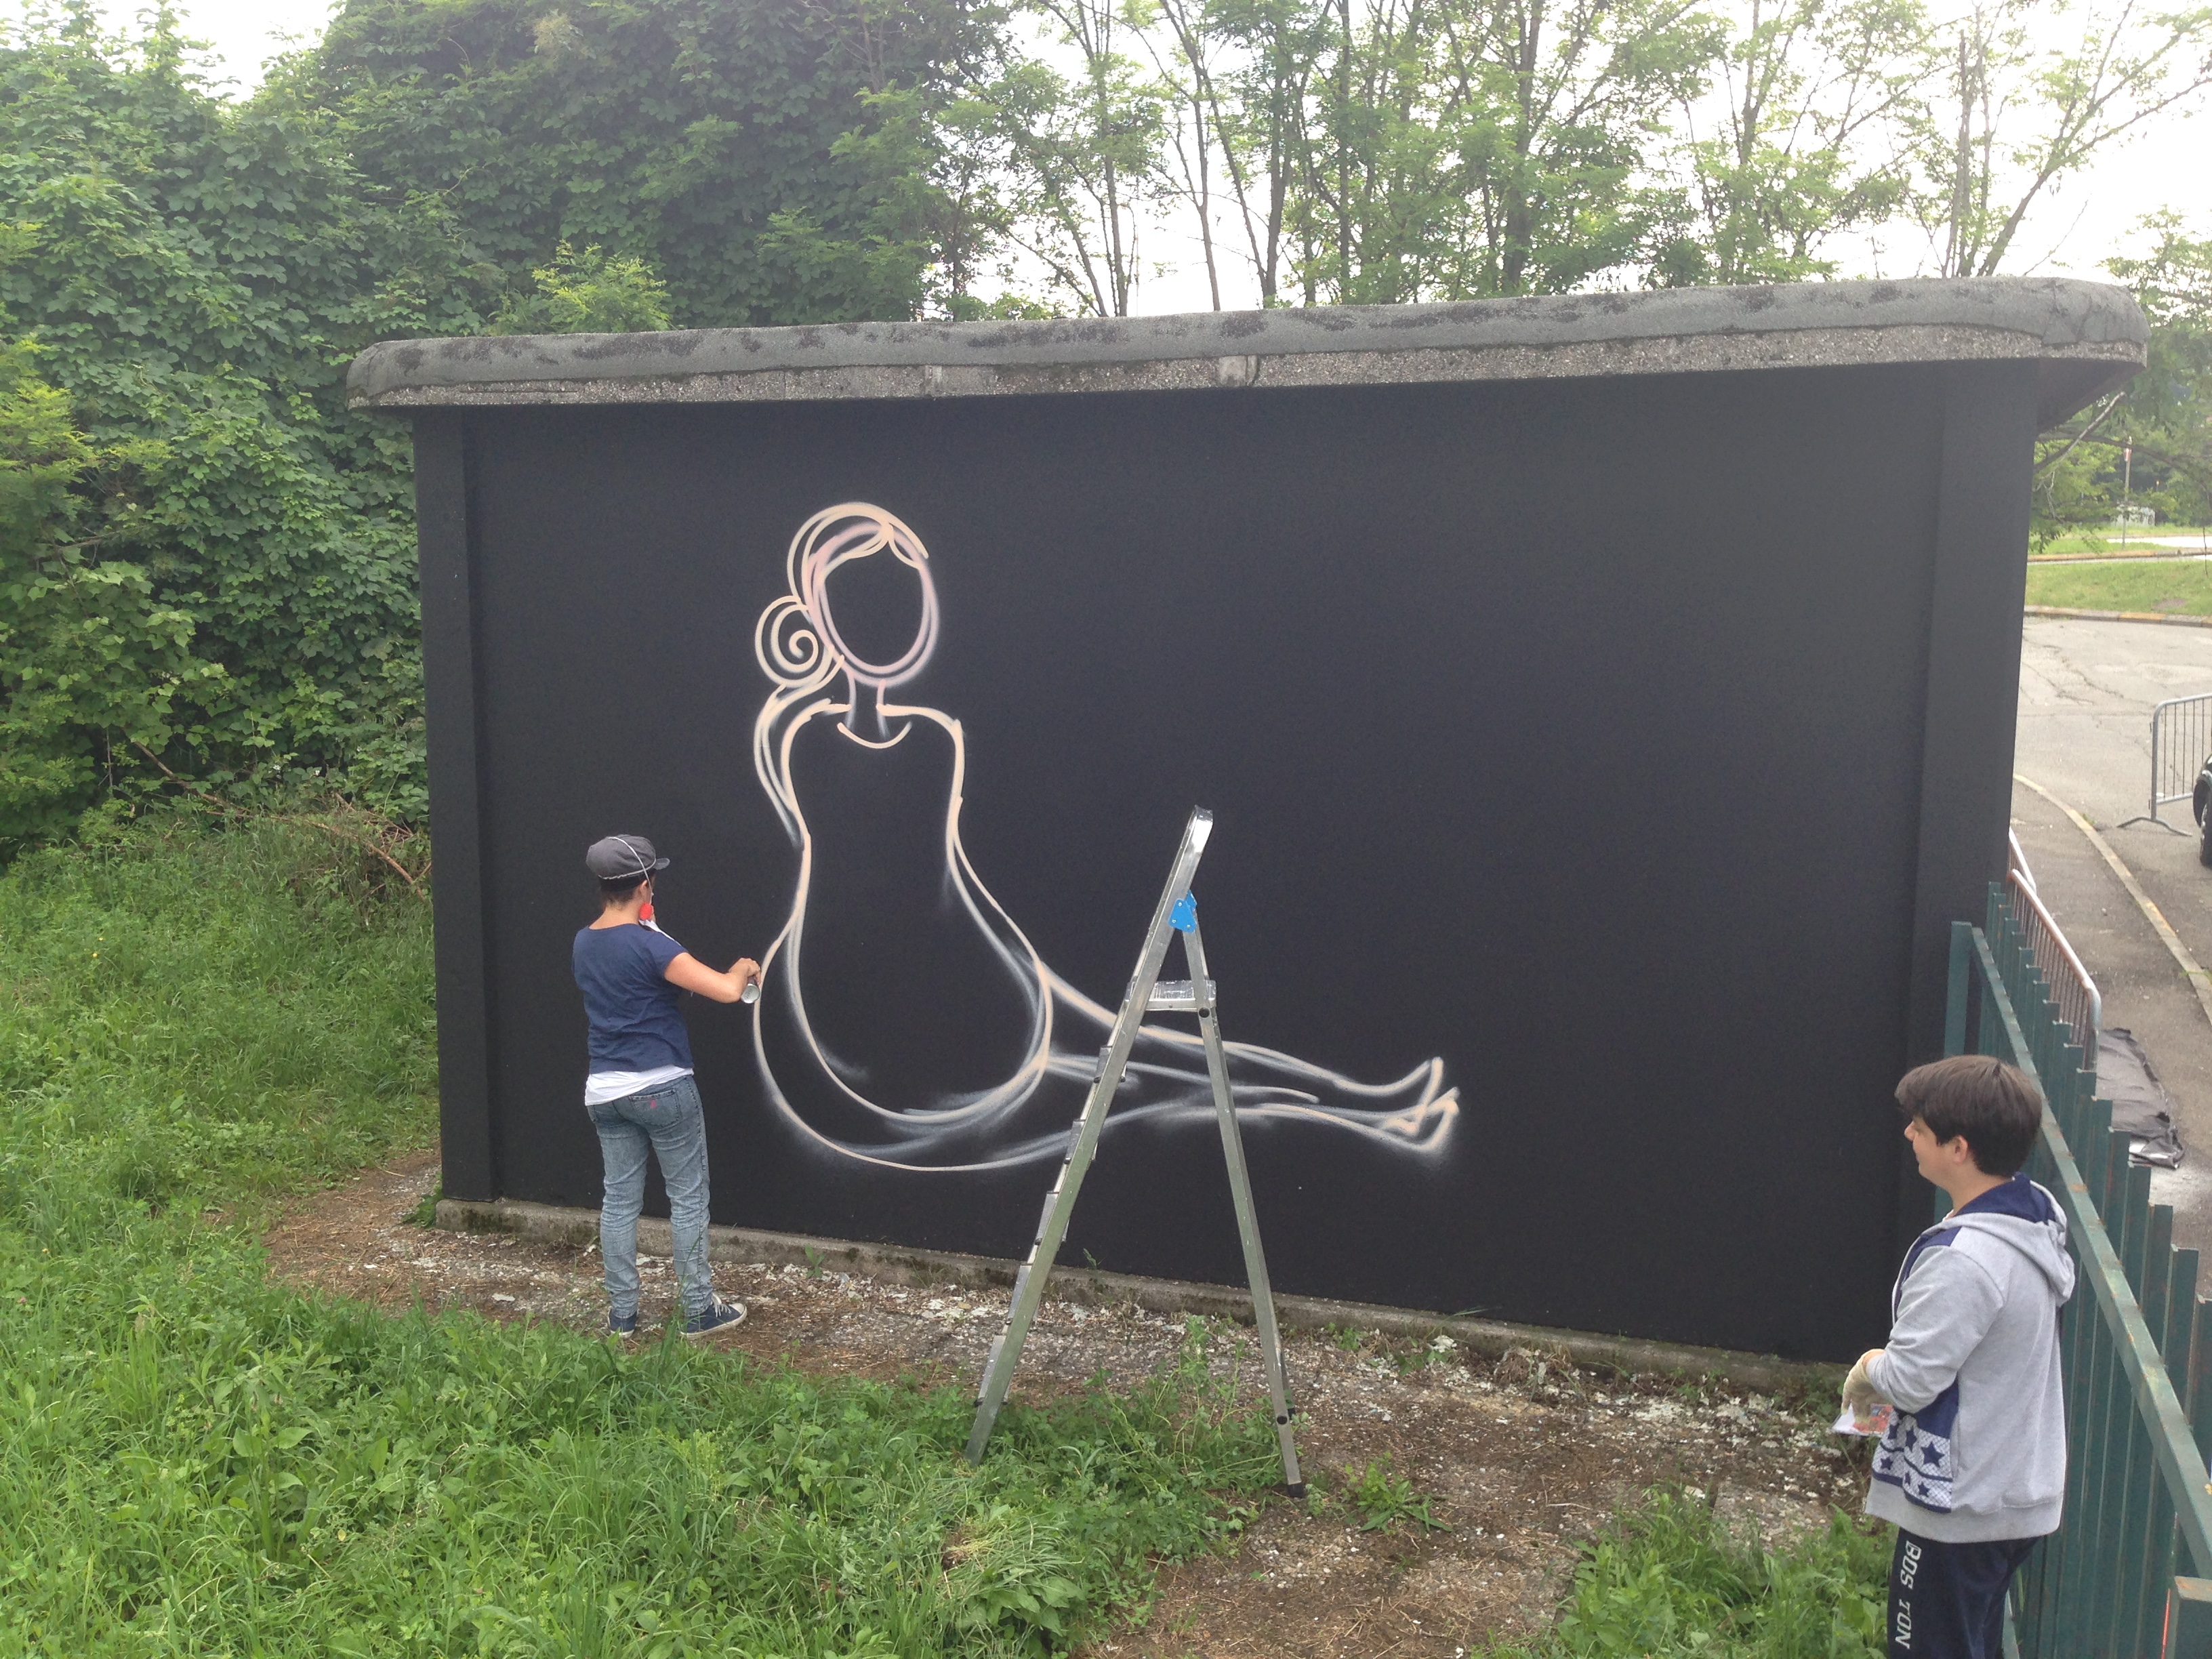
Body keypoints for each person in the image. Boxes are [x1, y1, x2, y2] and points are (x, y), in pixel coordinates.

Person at [1842, 1054, 2075, 1659]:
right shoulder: (2032, 1216)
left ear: (1959, 1148)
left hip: (1961, 1506)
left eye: (1919, 1127)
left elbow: (1911, 1382)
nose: (1908, 1134)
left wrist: (1868, 1368)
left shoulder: (1965, 1260)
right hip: (2012, 1487)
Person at [573, 834, 760, 1338]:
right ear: (644, 885)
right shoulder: (653, 944)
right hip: (662, 1087)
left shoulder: (584, 941)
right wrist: (744, 967)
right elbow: (726, 990)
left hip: (605, 1092)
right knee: (688, 1198)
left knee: (618, 1202)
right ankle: (699, 1310)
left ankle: (622, 1316)